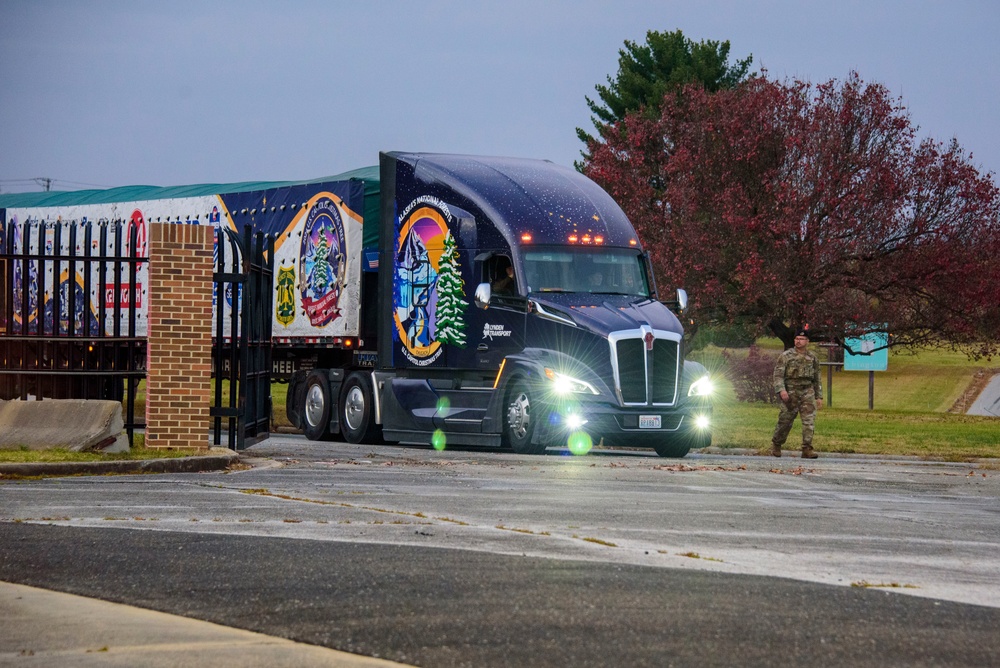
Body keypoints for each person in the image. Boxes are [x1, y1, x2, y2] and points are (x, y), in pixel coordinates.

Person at [771, 328, 823, 458]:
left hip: (807, 391)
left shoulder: (812, 357)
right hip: (791, 391)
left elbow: (817, 377)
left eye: (801, 339)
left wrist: (819, 396)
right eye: (797, 339)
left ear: (807, 341)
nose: (798, 341)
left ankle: (807, 448)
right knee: (785, 420)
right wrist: (781, 390)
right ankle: (777, 444)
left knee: (809, 421)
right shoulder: (786, 356)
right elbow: (778, 375)